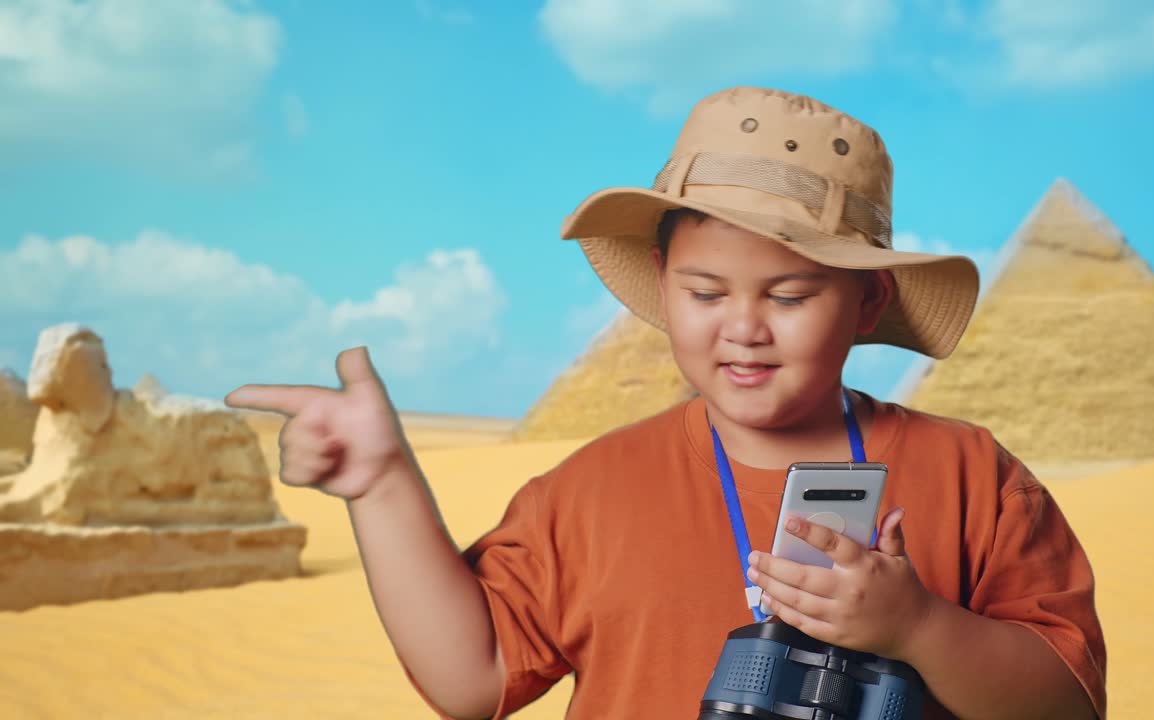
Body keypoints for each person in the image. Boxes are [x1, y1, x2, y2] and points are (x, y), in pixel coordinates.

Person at [225, 86, 1106, 719]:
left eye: (790, 297)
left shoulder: (972, 476)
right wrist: (381, 484)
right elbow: (472, 678)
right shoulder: (592, 490)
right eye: (706, 292)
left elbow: (1069, 707)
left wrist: (919, 627)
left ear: (868, 301)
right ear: (661, 283)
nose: (744, 329)